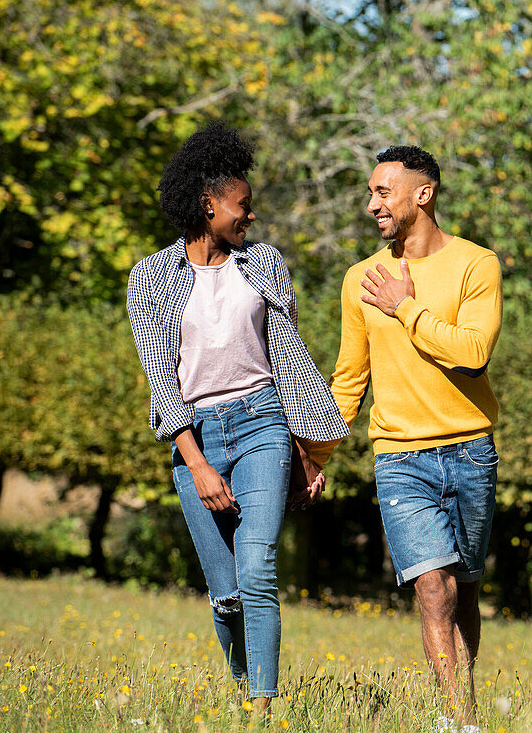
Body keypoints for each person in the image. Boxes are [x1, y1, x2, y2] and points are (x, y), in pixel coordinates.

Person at [126, 122, 349, 716]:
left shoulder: (265, 263)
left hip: (263, 425)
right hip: (197, 439)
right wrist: (195, 464)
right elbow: (162, 381)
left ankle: (262, 707)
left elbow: (290, 358)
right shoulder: (150, 278)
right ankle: (239, 676)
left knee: (257, 569)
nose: (251, 216)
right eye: (242, 206)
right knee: (226, 594)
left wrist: (306, 451)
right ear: (209, 204)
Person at [306, 145, 502, 731]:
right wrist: (315, 456)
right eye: (370, 193)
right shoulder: (360, 279)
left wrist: (407, 308)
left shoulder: (476, 264)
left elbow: (473, 353)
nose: (372, 205)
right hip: (399, 457)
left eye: (382, 192)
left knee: (464, 591)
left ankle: (462, 705)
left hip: (470, 449)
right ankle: (460, 722)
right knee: (432, 589)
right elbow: (348, 379)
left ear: (424, 193)